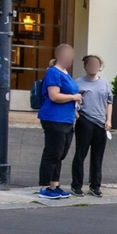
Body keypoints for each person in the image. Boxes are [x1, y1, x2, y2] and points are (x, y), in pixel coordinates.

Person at [37, 44, 83, 199]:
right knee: (53, 153)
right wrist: (74, 97)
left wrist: (75, 111)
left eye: (71, 55)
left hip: (67, 119)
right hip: (54, 118)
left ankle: (54, 185)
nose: (69, 58)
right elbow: (54, 96)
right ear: (59, 55)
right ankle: (45, 187)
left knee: (61, 153)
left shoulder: (65, 73)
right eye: (66, 55)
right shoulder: (53, 72)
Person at [71, 55, 113, 197]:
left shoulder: (104, 83)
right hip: (85, 121)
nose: (94, 67)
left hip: (101, 123)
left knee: (97, 156)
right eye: (91, 64)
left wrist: (109, 120)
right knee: (80, 154)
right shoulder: (78, 83)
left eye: (97, 64)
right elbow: (73, 102)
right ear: (86, 66)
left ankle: (95, 186)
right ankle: (76, 185)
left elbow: (109, 101)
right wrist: (79, 117)